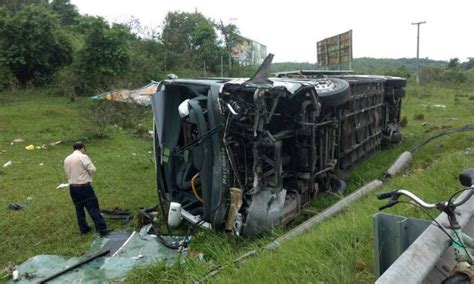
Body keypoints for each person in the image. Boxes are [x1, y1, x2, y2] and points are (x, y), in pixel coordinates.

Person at [64, 142, 111, 236]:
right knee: (93, 207)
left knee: (79, 208)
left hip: (73, 187)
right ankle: (101, 228)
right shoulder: (83, 157)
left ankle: (84, 229)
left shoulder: (67, 159)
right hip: (84, 186)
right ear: (82, 148)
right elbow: (92, 169)